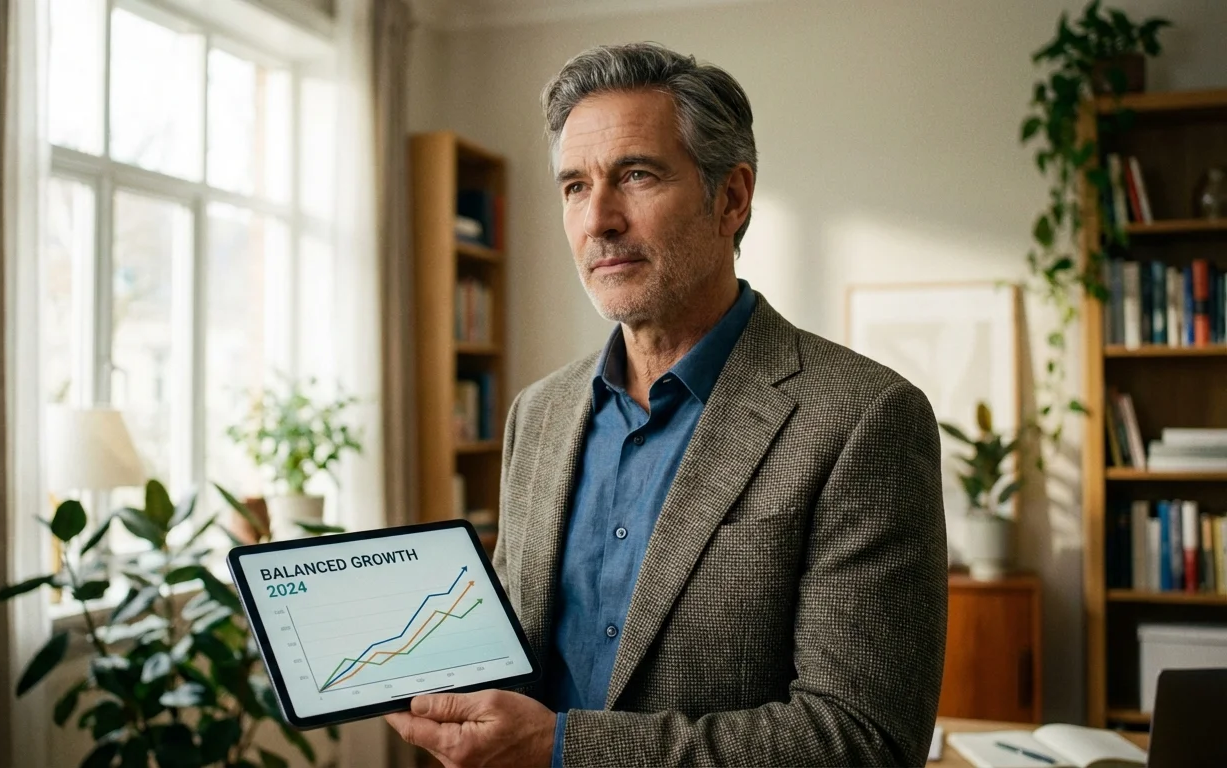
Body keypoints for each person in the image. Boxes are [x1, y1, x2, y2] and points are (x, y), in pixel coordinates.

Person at [386, 42, 947, 767]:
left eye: (636, 175)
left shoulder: (863, 419)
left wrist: (559, 747)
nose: (599, 220)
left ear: (732, 197)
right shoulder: (539, 413)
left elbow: (860, 741)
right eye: (574, 188)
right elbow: (522, 651)